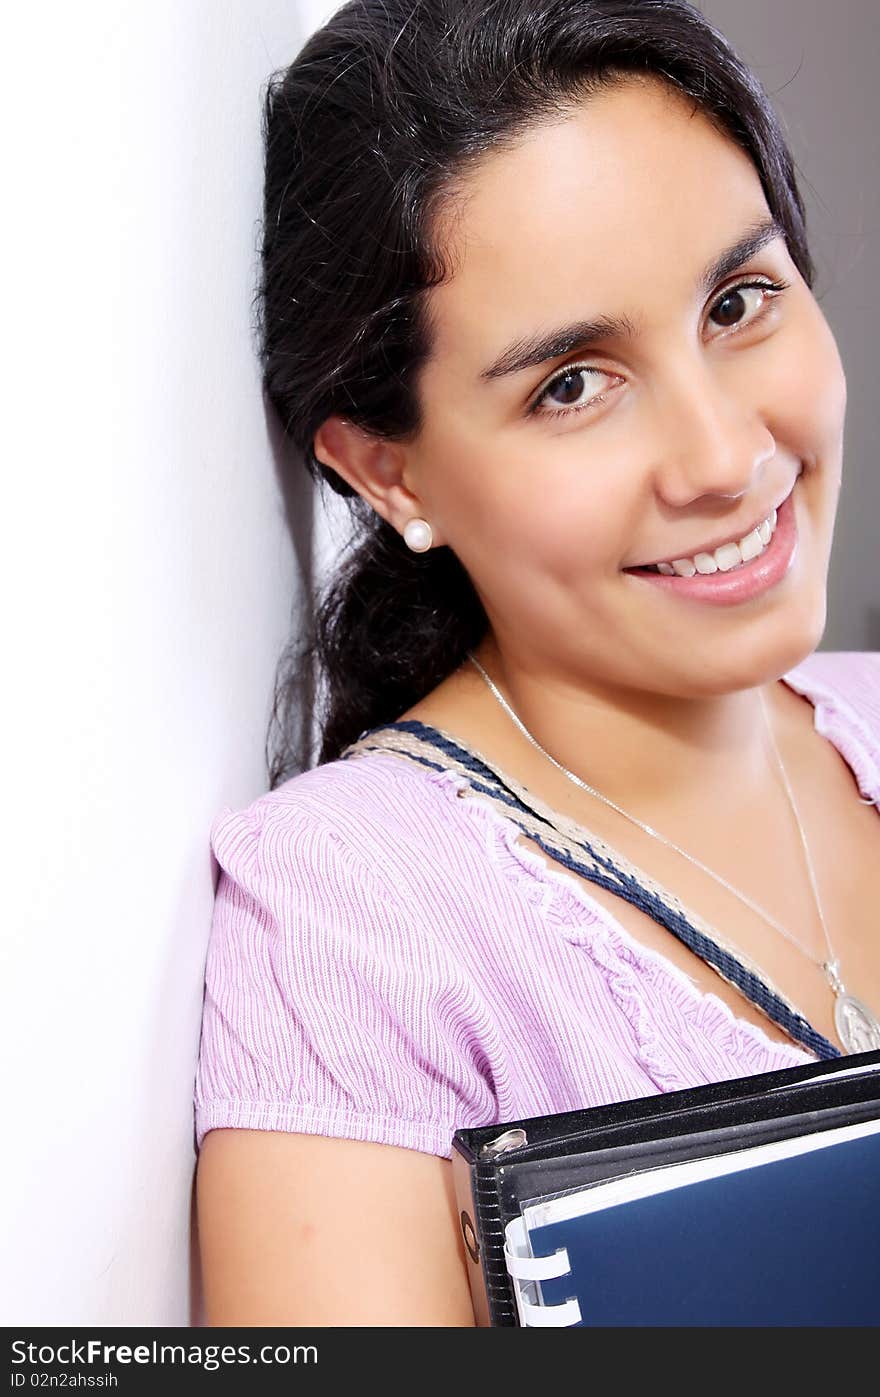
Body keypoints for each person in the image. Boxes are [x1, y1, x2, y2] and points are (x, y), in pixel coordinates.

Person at [193, 0, 879, 1326]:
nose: (728, 459)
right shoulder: (355, 916)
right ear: (383, 470)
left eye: (741, 301)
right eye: (572, 382)